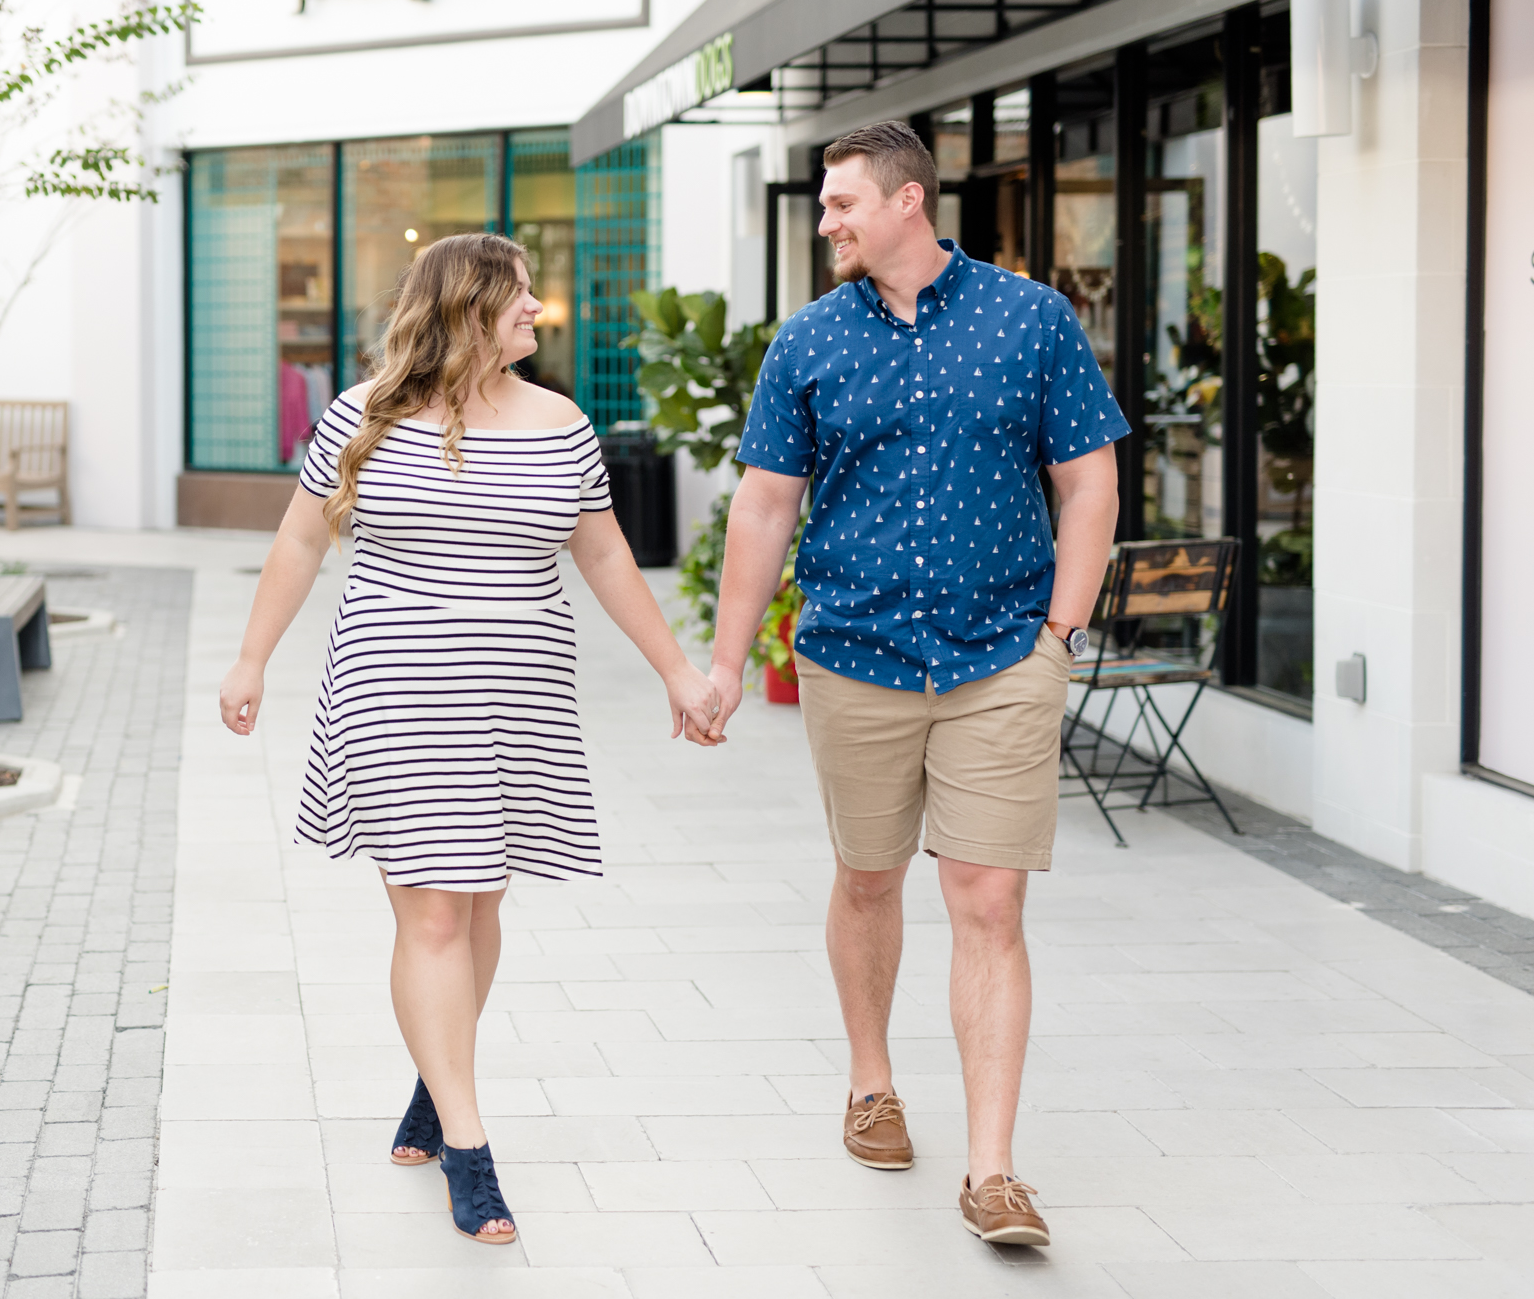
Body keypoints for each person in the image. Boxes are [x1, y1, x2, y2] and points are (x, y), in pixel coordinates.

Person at [219, 231, 722, 1245]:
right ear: (463, 310)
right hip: (394, 691)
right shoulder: (361, 416)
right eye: (518, 297)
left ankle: (431, 1074)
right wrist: (249, 660)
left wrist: (678, 668)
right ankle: (468, 1143)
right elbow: (299, 539)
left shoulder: (561, 423)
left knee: (479, 899)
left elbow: (604, 552)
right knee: (434, 916)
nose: (536, 309)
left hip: (517, 696)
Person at [705, 121, 1127, 1247]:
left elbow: (1089, 481)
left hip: (1001, 654)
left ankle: (991, 1170)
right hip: (853, 654)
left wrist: (1060, 632)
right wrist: (724, 658)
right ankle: (870, 1079)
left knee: (986, 898)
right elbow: (761, 505)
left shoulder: (1028, 318)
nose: (827, 220)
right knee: (867, 878)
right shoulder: (806, 341)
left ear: (906, 201)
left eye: (842, 202)